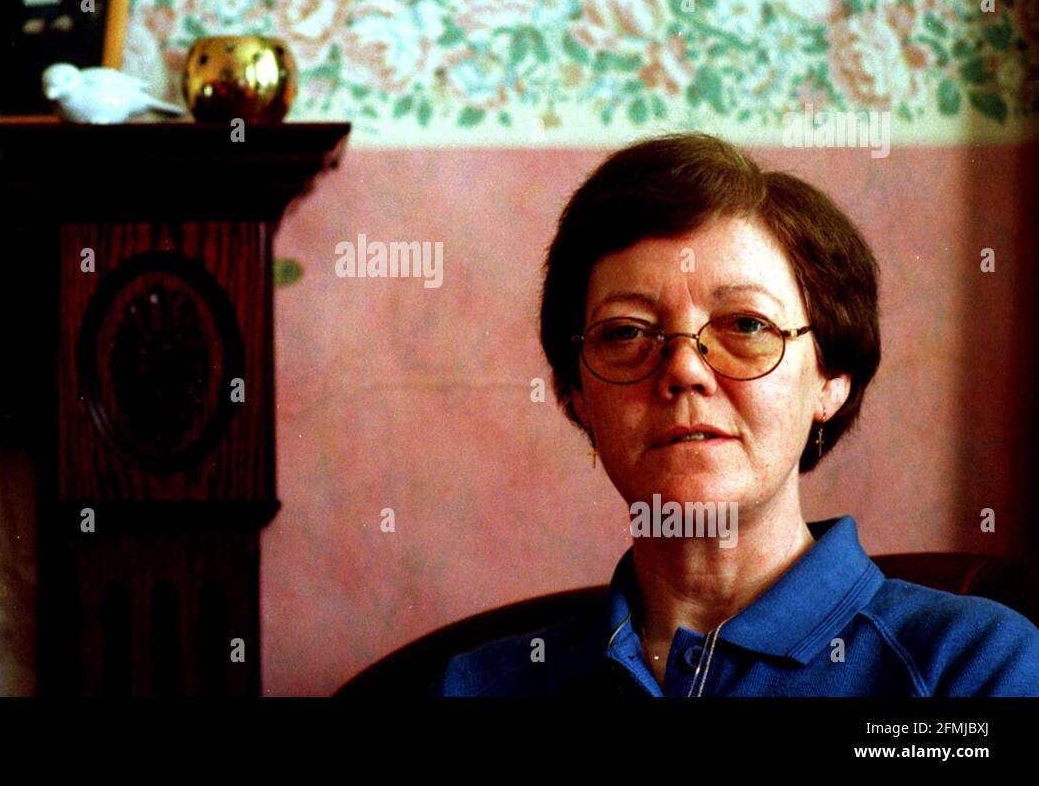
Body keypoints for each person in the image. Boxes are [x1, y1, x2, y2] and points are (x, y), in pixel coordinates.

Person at [436, 132, 1039, 696]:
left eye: (746, 325)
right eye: (625, 332)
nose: (684, 370)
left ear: (831, 379)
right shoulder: (483, 684)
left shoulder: (972, 665)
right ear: (576, 395)